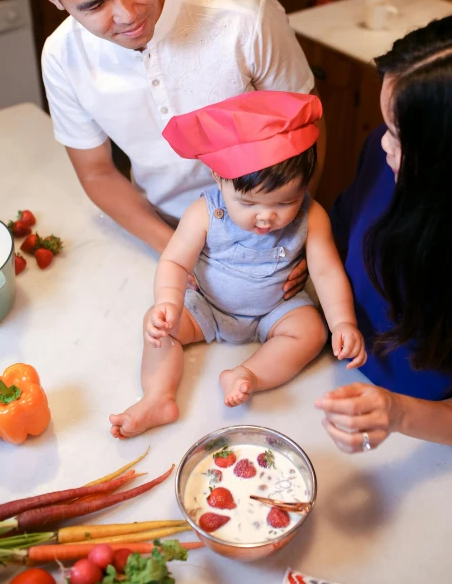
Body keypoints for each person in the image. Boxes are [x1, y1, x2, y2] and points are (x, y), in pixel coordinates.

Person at [14, 0, 323, 297]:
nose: (127, 16)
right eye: (95, 5)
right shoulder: (62, 57)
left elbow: (304, 136)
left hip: (270, 234)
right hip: (157, 229)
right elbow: (99, 172)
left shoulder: (247, 21)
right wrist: (176, 251)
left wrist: (299, 235)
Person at [315, 9, 452, 464]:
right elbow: (337, 241)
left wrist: (396, 412)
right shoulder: (382, 157)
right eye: (387, 124)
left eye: (402, 138)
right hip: (341, 377)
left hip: (438, 444)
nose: (384, 144)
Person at [110, 91, 366, 437]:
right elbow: (174, 260)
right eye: (247, 203)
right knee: (158, 328)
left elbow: (326, 271)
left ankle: (248, 374)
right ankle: (158, 397)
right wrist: (168, 303)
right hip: (207, 306)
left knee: (312, 331)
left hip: (275, 309)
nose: (266, 216)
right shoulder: (205, 212)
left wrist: (343, 323)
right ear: (218, 179)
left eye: (285, 202)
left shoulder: (313, 215)